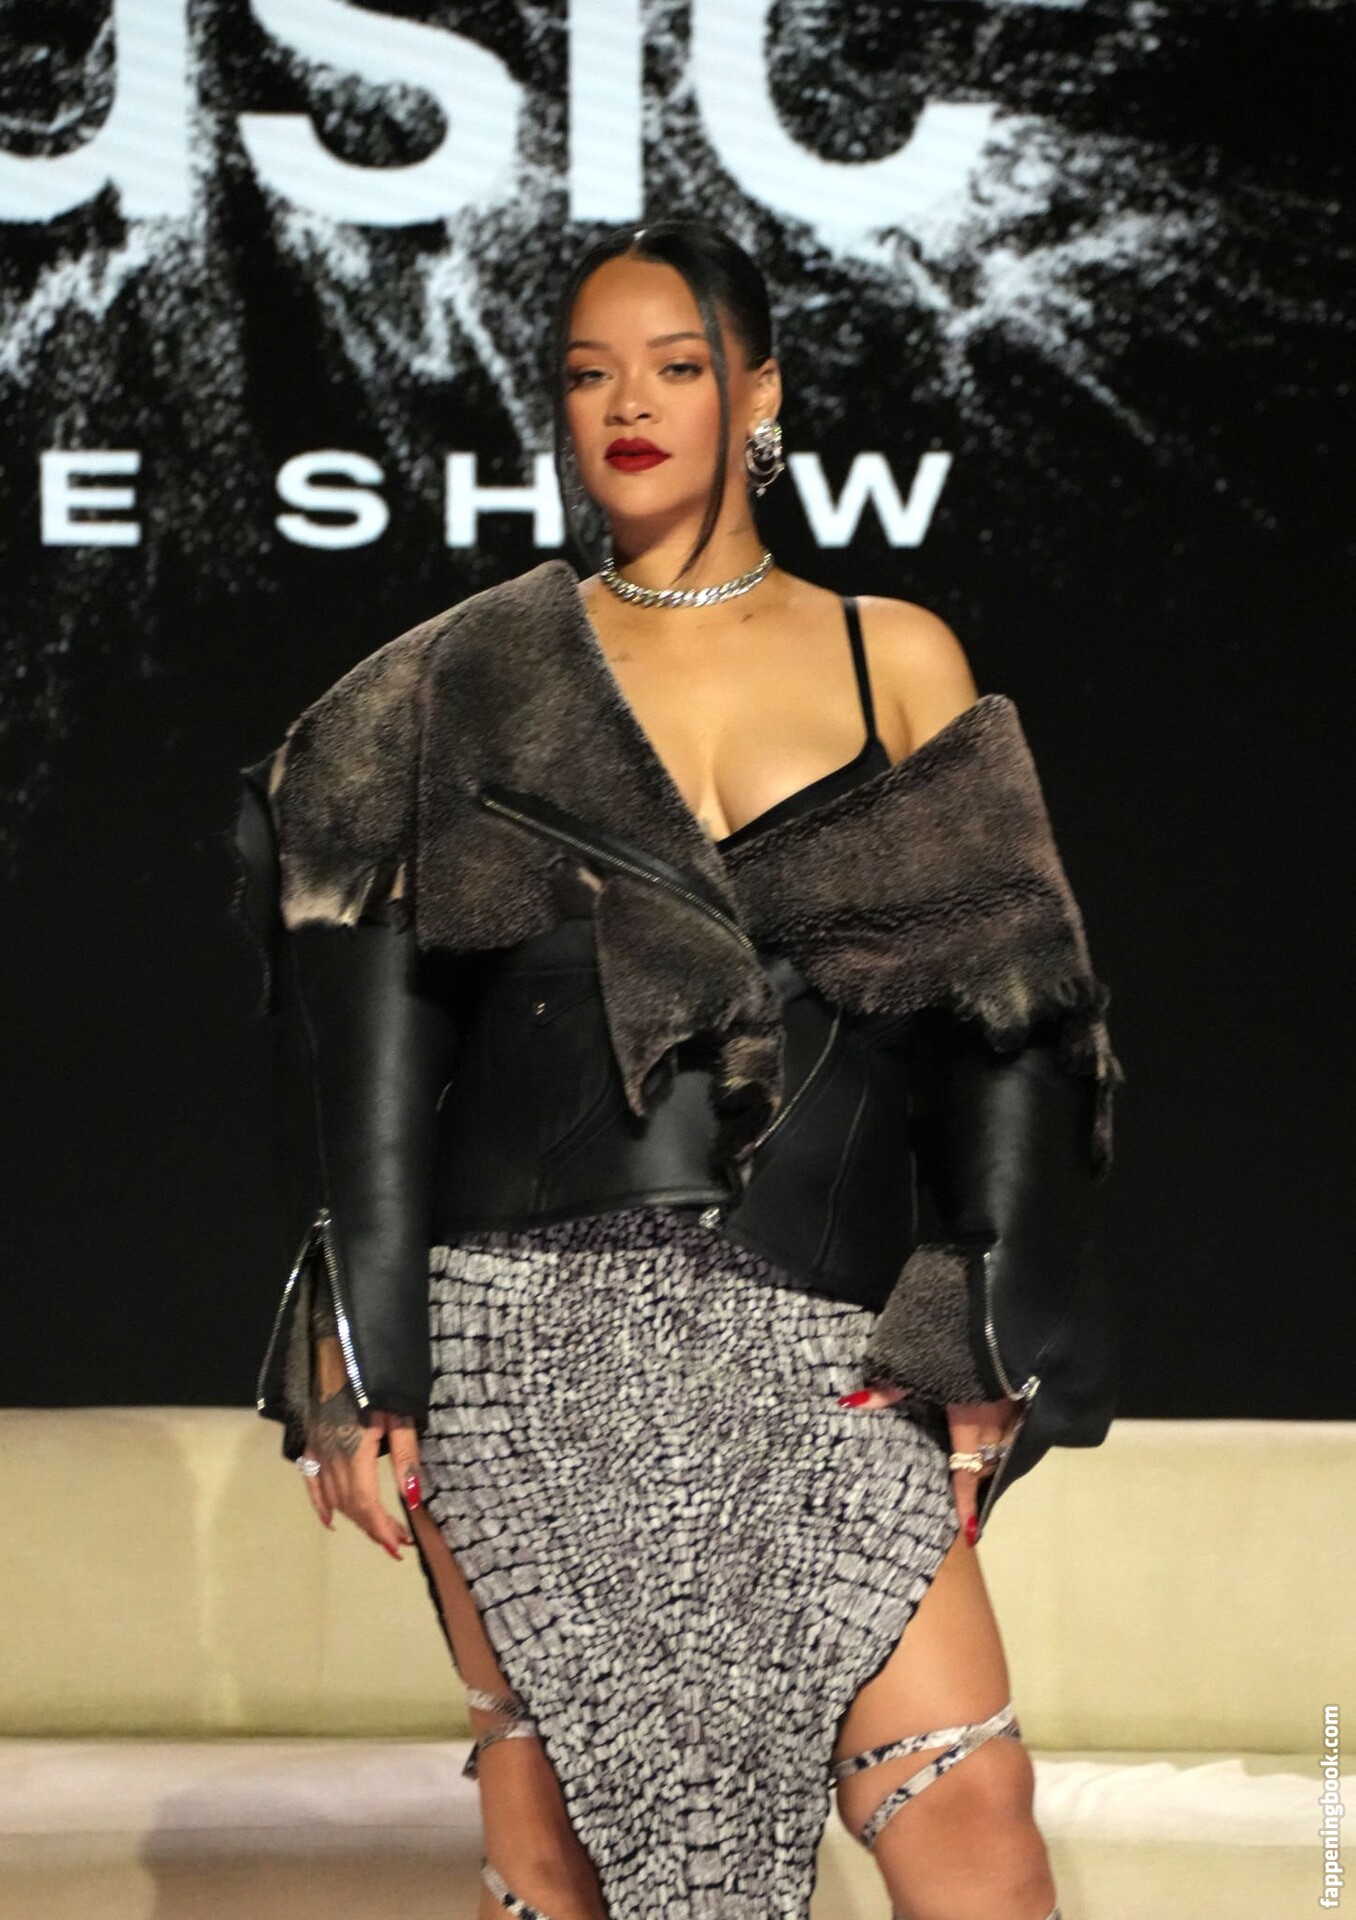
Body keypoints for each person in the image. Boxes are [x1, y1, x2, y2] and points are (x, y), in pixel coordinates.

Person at [229, 218, 1122, 1920]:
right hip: (524, 1329)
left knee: (972, 1815)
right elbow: (369, 1043)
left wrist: (985, 1312)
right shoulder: (467, 675)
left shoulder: (889, 654)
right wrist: (361, 1354)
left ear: (758, 393)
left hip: (818, 1331)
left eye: (676, 366)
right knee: (559, 1853)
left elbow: (1004, 1010)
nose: (626, 404)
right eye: (589, 374)